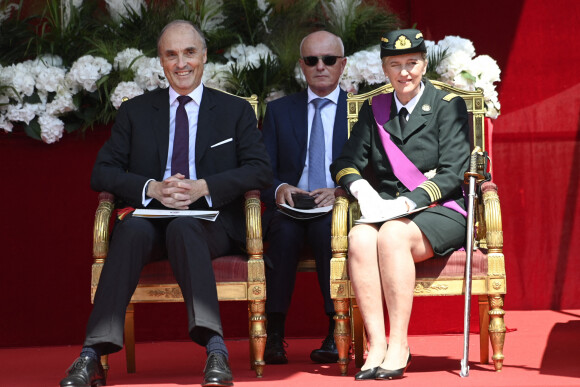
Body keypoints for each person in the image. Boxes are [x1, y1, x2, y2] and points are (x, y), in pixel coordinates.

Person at [59, 20, 272, 387]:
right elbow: (102, 172)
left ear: (204, 57)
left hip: (209, 223)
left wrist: (203, 186)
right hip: (150, 219)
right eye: (171, 55)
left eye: (189, 52)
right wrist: (152, 187)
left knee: (185, 226)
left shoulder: (234, 111)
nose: (181, 63)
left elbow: (259, 171)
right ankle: (91, 354)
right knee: (130, 231)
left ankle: (215, 349)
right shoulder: (136, 111)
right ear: (161, 61)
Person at [330, 29, 470, 380]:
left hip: (441, 210)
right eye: (395, 65)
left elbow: (455, 173)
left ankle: (399, 344)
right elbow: (345, 162)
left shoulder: (447, 107)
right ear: (384, 69)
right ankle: (376, 344)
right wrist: (363, 190)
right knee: (360, 238)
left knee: (392, 235)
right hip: (387, 208)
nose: (404, 72)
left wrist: (410, 201)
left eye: (412, 63)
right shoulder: (373, 109)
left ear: (424, 64)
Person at [260, 30, 348, 364]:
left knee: (329, 232)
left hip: (338, 206)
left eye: (328, 60)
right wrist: (281, 188)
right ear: (302, 66)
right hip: (291, 206)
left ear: (342, 65)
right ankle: (274, 334)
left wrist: (340, 191)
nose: (320, 67)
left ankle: (335, 330)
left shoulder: (360, 110)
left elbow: (375, 169)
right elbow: (262, 169)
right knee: (282, 234)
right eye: (312, 60)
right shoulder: (280, 111)